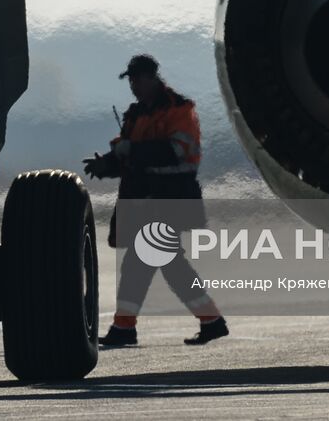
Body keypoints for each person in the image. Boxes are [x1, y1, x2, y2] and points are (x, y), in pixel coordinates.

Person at [83, 54, 229, 347]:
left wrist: (130, 150)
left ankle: (126, 328)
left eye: (137, 79)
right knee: (162, 264)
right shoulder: (136, 114)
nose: (134, 86)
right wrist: (105, 165)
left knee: (147, 263)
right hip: (142, 202)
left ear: (152, 78)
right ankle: (210, 321)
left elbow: (177, 150)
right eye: (131, 80)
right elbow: (129, 157)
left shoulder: (179, 109)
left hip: (169, 200)